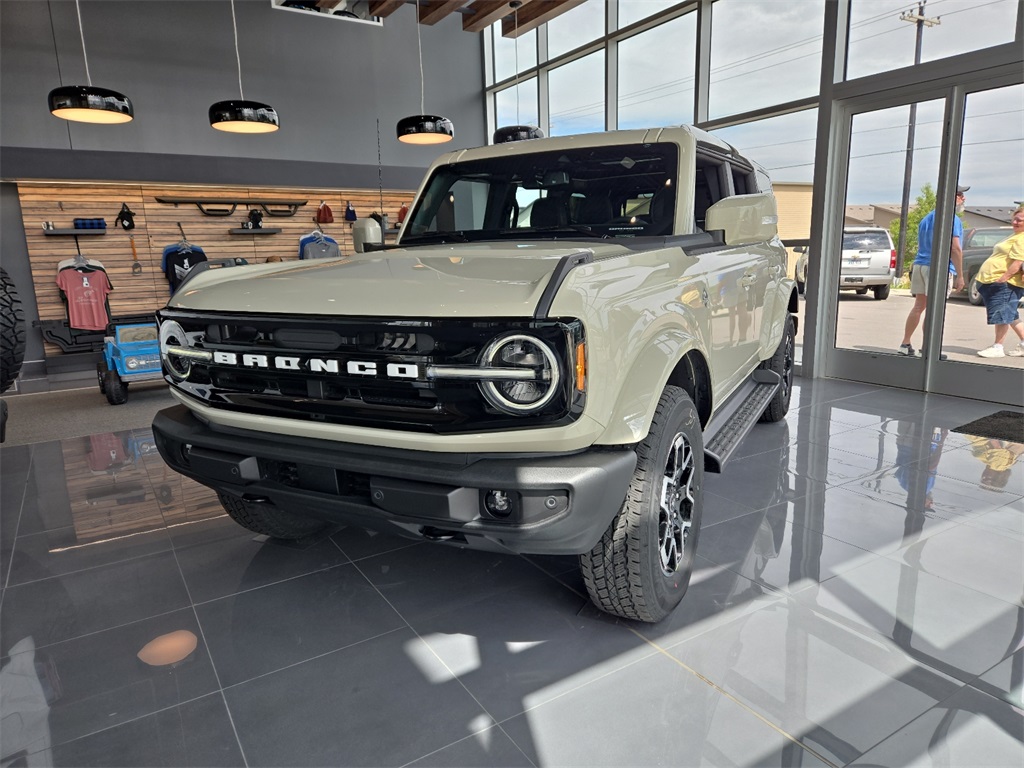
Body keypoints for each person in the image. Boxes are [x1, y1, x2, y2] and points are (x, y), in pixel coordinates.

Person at [899, 184, 969, 356]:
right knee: (934, 309)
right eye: (960, 195)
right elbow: (955, 248)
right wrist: (960, 275)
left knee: (919, 307)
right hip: (937, 268)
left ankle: (905, 344)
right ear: (951, 197)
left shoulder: (927, 218)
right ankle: (929, 348)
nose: (963, 198)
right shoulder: (952, 219)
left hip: (920, 265)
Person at [974, 205, 1024, 358]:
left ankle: (998, 347)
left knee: (1002, 314)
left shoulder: (1022, 238)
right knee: (1011, 316)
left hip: (1006, 284)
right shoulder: (1014, 235)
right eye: (1015, 219)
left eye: (1020, 220)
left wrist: (1003, 278)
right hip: (995, 282)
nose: (1015, 222)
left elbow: (1018, 262)